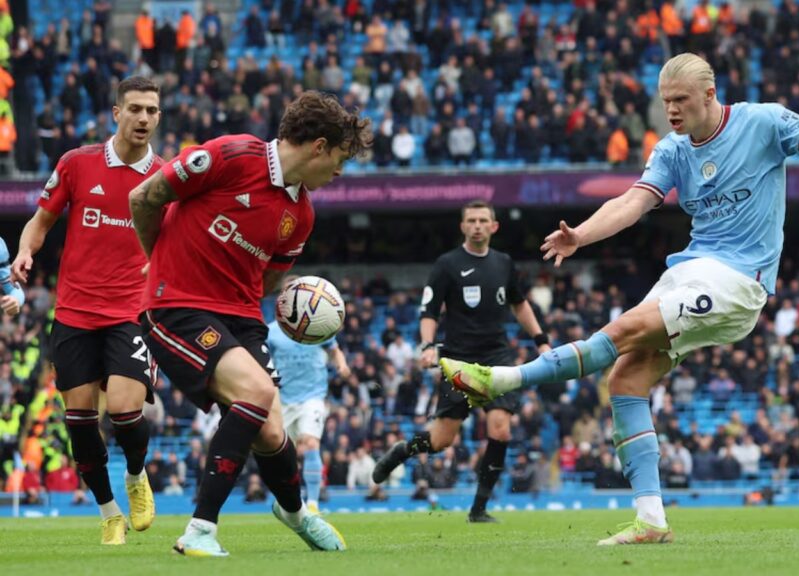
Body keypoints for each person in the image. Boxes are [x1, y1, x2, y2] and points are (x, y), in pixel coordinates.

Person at [440, 52, 799, 545]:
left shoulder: (763, 123)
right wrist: (581, 236)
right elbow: (632, 203)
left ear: (710, 94)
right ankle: (651, 520)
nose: (672, 110)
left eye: (682, 99)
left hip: (736, 281)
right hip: (691, 270)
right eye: (666, 101)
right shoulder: (672, 149)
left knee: (622, 330)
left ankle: (504, 379)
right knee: (627, 377)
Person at [127, 90, 372, 557]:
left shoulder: (301, 216)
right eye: (340, 159)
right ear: (318, 146)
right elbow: (144, 197)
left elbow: (268, 283)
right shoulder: (230, 155)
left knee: (272, 432)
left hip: (242, 319)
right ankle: (200, 530)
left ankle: (295, 512)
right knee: (256, 394)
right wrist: (159, 263)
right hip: (177, 306)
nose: (340, 172)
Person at [12, 76, 165, 545]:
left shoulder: (167, 176)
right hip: (74, 313)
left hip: (129, 313)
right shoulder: (77, 164)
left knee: (123, 411)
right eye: (135, 109)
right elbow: (39, 223)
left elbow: (180, 238)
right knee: (79, 422)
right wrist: (25, 254)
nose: (143, 118)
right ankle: (108, 512)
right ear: (115, 113)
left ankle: (137, 475)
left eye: (152, 111)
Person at [372, 200, 551, 523]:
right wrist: (427, 344)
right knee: (441, 441)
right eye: (472, 220)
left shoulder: (505, 263)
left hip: (497, 356)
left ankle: (479, 509)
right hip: (458, 359)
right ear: (463, 226)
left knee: (501, 429)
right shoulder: (447, 264)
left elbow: (520, 304)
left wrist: (541, 340)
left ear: (494, 226)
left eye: (484, 220)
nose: (478, 225)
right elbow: (429, 311)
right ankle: (402, 451)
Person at [266, 275, 352, 513]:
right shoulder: (271, 332)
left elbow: (335, 351)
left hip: (312, 396)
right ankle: (292, 502)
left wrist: (342, 365)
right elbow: (262, 360)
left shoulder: (318, 324)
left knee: (311, 442)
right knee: (285, 454)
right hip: (282, 399)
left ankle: (313, 503)